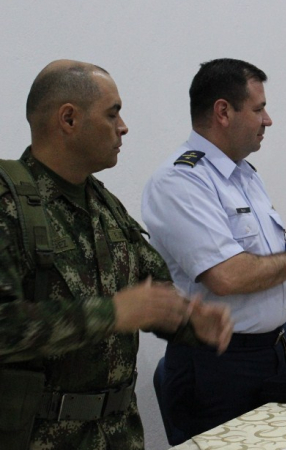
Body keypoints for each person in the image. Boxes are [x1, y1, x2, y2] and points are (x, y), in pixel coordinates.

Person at [0, 60, 233, 450]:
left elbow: (150, 292)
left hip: (119, 433)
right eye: (113, 113)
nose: (123, 126)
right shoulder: (10, 207)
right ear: (69, 119)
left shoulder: (105, 206)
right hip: (42, 438)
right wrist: (113, 313)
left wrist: (191, 320)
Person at [141, 59, 286, 441]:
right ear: (223, 111)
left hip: (271, 352)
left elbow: (266, 256)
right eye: (259, 109)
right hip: (217, 367)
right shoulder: (181, 180)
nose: (268, 120)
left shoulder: (245, 175)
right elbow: (227, 275)